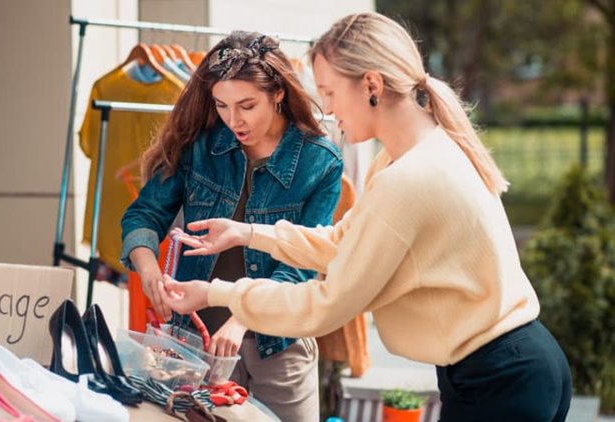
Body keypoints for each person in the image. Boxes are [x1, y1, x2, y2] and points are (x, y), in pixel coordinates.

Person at [158, 12, 573, 422]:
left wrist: (218, 294)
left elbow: (327, 304)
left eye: (331, 93)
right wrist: (247, 233)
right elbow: (343, 245)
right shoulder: (407, 156)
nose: (327, 108)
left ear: (371, 85)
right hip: (514, 368)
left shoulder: (408, 179)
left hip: (499, 379)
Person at [120, 31, 343, 421]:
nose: (233, 119)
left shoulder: (319, 162)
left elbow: (303, 263)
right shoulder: (199, 147)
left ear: (277, 94)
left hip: (280, 345)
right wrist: (149, 271)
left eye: (247, 105)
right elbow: (143, 214)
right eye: (221, 105)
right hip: (196, 344)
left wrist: (243, 319)